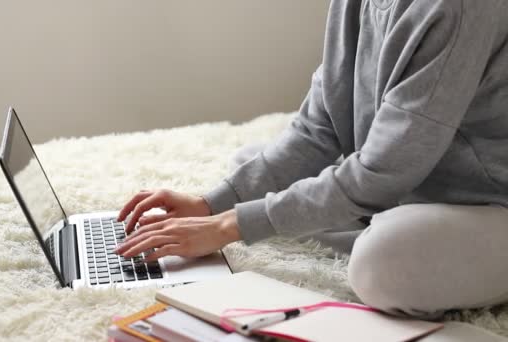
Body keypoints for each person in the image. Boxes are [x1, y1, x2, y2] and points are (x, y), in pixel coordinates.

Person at [115, 0, 508, 319]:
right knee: (249, 167)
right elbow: (317, 128)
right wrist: (210, 205)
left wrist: (230, 224)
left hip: (488, 203)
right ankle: (384, 224)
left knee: (379, 265)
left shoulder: (460, 7)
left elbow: (381, 173)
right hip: (411, 188)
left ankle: (386, 231)